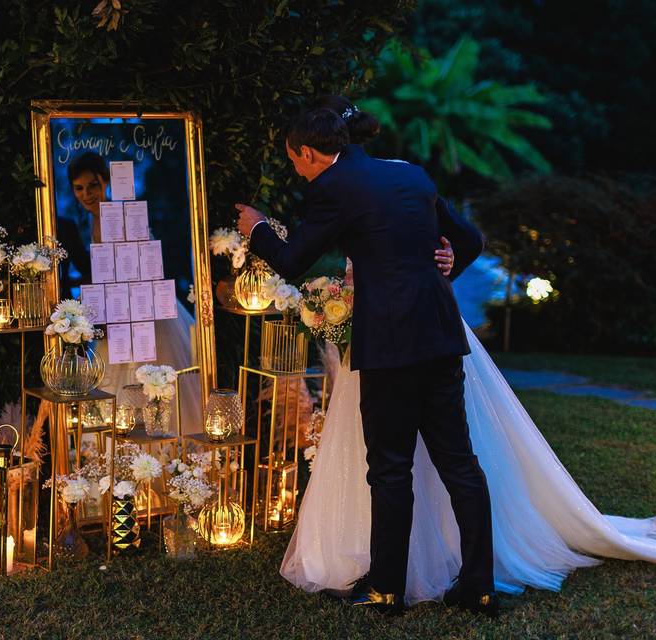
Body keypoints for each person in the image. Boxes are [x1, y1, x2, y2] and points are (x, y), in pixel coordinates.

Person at [237, 106, 495, 616]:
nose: (298, 171)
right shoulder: (410, 174)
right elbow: (469, 239)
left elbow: (293, 261)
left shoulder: (334, 186)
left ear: (309, 152)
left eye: (296, 162)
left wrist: (259, 228)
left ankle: (386, 590)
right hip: (440, 335)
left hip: (391, 347)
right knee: (460, 463)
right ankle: (480, 585)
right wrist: (449, 266)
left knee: (391, 469)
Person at [63, 152, 202, 433]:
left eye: (93, 185)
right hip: (113, 317)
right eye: (79, 188)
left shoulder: (122, 216)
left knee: (150, 383)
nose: (87, 194)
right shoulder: (88, 221)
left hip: (141, 314)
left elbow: (146, 265)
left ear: (105, 182)